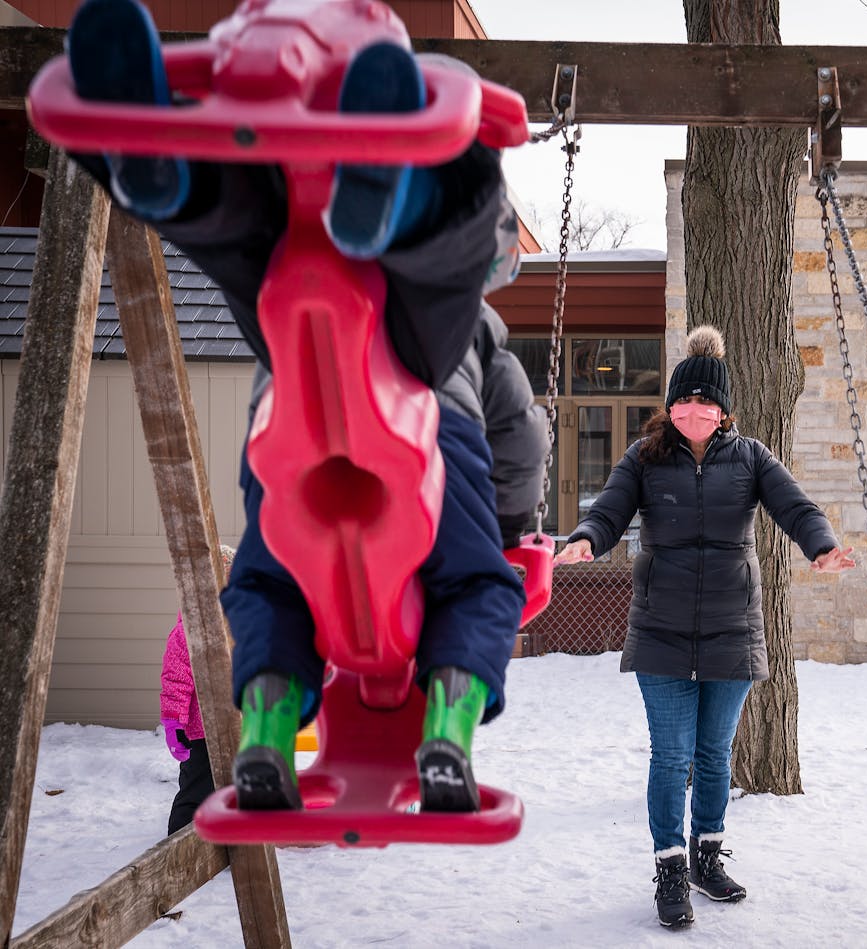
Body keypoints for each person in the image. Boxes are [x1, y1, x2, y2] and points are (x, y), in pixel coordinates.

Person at [64, 0, 545, 814]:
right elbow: (521, 436)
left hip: (289, 399)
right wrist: (508, 528)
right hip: (431, 423)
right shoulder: (480, 326)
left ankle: (172, 181)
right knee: (480, 587)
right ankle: (447, 736)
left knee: (265, 581)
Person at [552, 325, 855, 929]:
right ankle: (669, 870)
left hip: (731, 630)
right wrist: (587, 539)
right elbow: (609, 509)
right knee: (671, 758)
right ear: (670, 407)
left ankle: (707, 858)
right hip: (661, 630)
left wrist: (819, 547)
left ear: (723, 410)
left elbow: (796, 508)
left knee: (715, 757)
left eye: (706, 403)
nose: (695, 411)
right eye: (685, 402)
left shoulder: (750, 457)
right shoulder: (644, 457)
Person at [160, 545, 236, 834]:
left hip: (234, 725)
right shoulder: (188, 630)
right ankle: (179, 842)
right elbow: (175, 679)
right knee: (196, 788)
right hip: (199, 729)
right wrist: (172, 721)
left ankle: (231, 842)